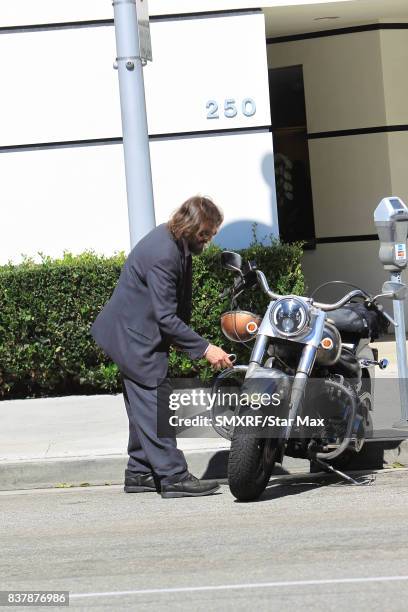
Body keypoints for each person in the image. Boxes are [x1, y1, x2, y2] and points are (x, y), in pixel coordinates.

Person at [90, 196, 233, 498]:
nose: (208, 240)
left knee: (143, 405)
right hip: (132, 336)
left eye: (212, 234)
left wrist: (184, 342)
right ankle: (174, 477)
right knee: (156, 401)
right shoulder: (163, 253)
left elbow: (174, 308)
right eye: (205, 234)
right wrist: (206, 348)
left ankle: (140, 472)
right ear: (190, 226)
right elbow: (165, 316)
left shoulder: (176, 242)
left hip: (133, 331)